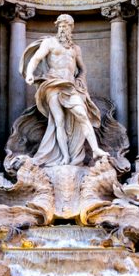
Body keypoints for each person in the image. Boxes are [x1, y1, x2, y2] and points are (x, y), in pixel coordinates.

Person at [20, 14, 108, 166]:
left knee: (82, 115)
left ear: (71, 28)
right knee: (58, 121)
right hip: (53, 84)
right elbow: (36, 59)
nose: (62, 29)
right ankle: (65, 157)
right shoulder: (50, 43)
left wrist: (81, 80)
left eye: (65, 26)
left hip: (70, 86)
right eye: (60, 26)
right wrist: (29, 73)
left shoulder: (75, 49)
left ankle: (95, 149)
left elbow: (82, 69)